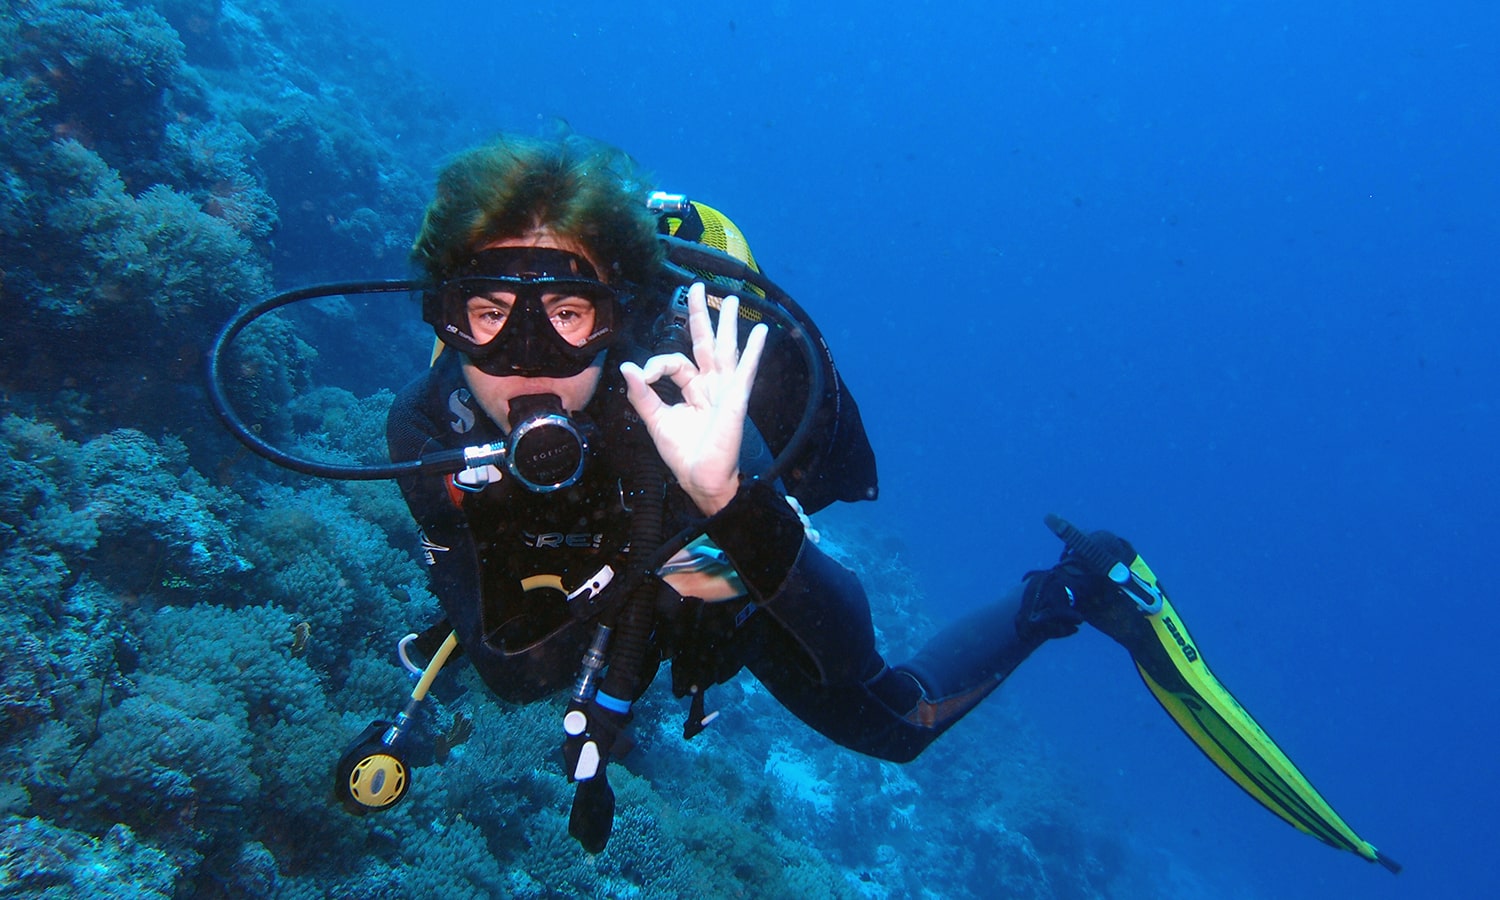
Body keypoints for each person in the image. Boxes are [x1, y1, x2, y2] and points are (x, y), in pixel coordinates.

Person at [374, 131, 1394, 867]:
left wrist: (729, 498)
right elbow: (515, 674)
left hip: (723, 580)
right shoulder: (426, 431)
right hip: (610, 603)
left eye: (567, 312)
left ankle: (1073, 592)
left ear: (620, 317)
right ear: (443, 315)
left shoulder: (692, 403)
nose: (526, 362)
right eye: (488, 312)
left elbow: (848, 647)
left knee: (896, 727)